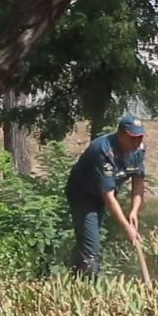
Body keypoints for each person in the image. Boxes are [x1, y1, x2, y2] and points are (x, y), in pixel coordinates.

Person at [65, 114, 145, 279]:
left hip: (101, 195)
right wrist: (127, 228)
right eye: (133, 138)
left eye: (140, 137)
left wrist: (134, 211)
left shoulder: (138, 150)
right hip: (82, 194)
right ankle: (88, 288)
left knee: (89, 238)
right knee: (91, 249)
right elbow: (108, 197)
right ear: (121, 134)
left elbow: (138, 182)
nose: (137, 142)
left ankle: (71, 276)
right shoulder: (102, 150)